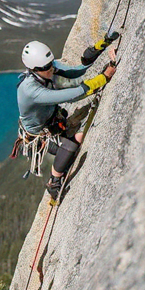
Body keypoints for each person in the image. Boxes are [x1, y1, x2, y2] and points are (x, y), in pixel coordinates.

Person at [15, 35, 118, 200]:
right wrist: (103, 78)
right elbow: (72, 95)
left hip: (53, 123)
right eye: (46, 67)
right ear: (34, 69)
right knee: (72, 144)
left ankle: (61, 160)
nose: (51, 69)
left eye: (51, 64)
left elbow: (77, 70)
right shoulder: (31, 90)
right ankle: (54, 181)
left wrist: (102, 45)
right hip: (41, 137)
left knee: (75, 139)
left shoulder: (43, 70)